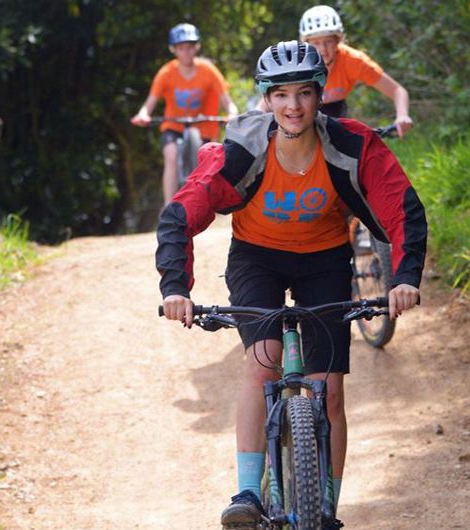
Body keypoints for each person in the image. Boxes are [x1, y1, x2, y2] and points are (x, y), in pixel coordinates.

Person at [156, 40, 427, 530]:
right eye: (281, 94)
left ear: (321, 95)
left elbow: (401, 207)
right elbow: (180, 215)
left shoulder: (351, 144)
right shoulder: (240, 149)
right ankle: (246, 494)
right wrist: (176, 287)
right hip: (256, 259)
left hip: (324, 259)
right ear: (266, 99)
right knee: (263, 365)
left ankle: (327, 507)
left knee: (330, 390)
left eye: (304, 92)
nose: (294, 105)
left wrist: (404, 279)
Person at [258, 5, 412, 138]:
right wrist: (253, 119)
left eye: (328, 42)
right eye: (316, 43)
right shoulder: (298, 62)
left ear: (338, 41)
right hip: (297, 113)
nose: (323, 49)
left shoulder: (354, 61)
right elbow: (270, 100)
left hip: (334, 112)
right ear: (306, 43)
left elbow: (398, 90)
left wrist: (402, 115)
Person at [131, 23, 238, 205]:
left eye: (190, 47)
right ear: (173, 49)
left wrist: (233, 114)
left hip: (204, 126)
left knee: (210, 161)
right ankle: (168, 206)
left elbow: (228, 102)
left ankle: (206, 203)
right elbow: (149, 104)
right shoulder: (166, 73)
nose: (186, 52)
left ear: (197, 47)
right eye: (181, 48)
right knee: (171, 155)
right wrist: (143, 115)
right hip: (174, 125)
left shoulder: (208, 71)